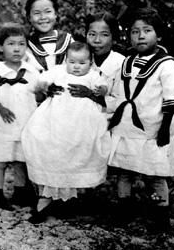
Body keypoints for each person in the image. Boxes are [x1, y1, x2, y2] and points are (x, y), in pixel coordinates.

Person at [108, 7, 174, 232]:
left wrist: (165, 129)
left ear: (158, 35)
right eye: (134, 31)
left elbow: (172, 99)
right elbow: (118, 90)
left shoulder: (167, 65)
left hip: (153, 129)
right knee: (124, 171)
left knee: (155, 174)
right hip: (127, 127)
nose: (140, 36)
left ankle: (161, 216)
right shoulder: (126, 62)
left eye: (147, 30)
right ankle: (124, 208)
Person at [22, 41, 111, 224]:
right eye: (72, 62)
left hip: (81, 126)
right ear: (66, 61)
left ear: (90, 62)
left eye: (81, 63)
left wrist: (99, 90)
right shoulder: (59, 72)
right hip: (55, 123)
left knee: (75, 157)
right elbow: (42, 81)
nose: (76, 67)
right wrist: (46, 87)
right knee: (50, 154)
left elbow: (103, 88)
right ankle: (44, 203)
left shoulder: (93, 76)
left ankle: (68, 202)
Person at [0, 22, 39, 211]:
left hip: (24, 125)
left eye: (21, 44)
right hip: (3, 125)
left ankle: (20, 193)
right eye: (11, 44)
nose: (17, 49)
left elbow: (37, 91)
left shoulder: (31, 72)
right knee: (1, 162)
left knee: (21, 161)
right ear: (1, 46)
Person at [85, 11, 125, 121]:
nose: (97, 40)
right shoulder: (80, 59)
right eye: (92, 34)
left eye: (104, 35)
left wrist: (89, 95)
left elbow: (120, 102)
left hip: (108, 126)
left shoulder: (121, 64)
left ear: (114, 37)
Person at [24, 0, 74, 73]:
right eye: (37, 13)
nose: (43, 17)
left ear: (56, 14)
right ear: (29, 17)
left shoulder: (67, 40)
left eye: (48, 12)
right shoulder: (26, 45)